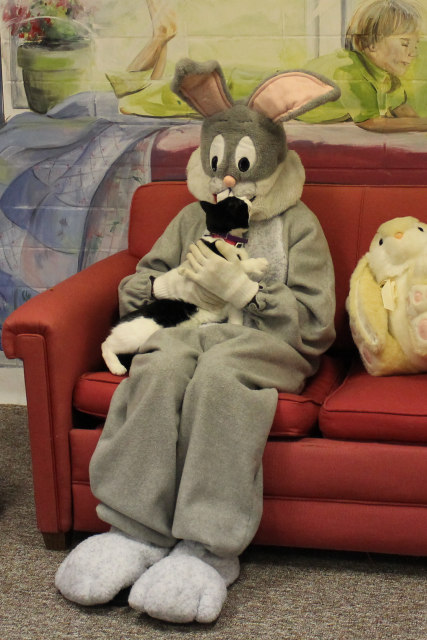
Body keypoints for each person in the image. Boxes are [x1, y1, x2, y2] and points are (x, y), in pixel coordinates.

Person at [54, 58, 337, 624]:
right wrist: (169, 282)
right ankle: (134, 532)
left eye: (242, 165)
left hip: (263, 342)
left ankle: (206, 549)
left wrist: (244, 290)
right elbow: (136, 290)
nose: (228, 177)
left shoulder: (298, 224)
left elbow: (316, 322)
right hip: (190, 328)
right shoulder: (191, 218)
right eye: (219, 164)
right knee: (159, 365)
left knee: (218, 378)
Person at [300, 0, 427, 132]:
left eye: (416, 45)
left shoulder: (386, 76)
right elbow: (370, 122)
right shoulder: (348, 72)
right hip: (296, 114)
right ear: (372, 44)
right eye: (405, 44)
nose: (413, 53)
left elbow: (404, 111)